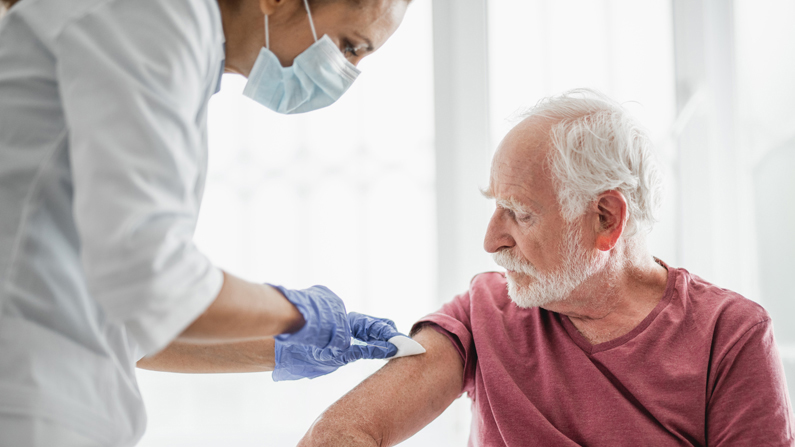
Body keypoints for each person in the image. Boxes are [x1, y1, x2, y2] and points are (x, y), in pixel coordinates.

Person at [0, 0, 412, 445]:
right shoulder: (153, 17)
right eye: (349, 47)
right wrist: (296, 315)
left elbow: (126, 319)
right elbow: (152, 282)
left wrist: (280, 343)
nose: (343, 75)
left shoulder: (182, 49)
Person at [296, 89, 795, 447]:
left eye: (520, 212)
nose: (491, 240)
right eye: (495, 206)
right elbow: (338, 435)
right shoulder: (483, 310)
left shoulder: (730, 335)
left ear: (606, 218)